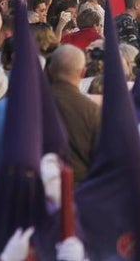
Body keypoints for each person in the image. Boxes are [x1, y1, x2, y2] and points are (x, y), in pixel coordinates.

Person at [47, 45, 102, 183]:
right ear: (83, 72)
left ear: (49, 70)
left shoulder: (31, 102)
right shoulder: (91, 110)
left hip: (36, 191)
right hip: (78, 189)